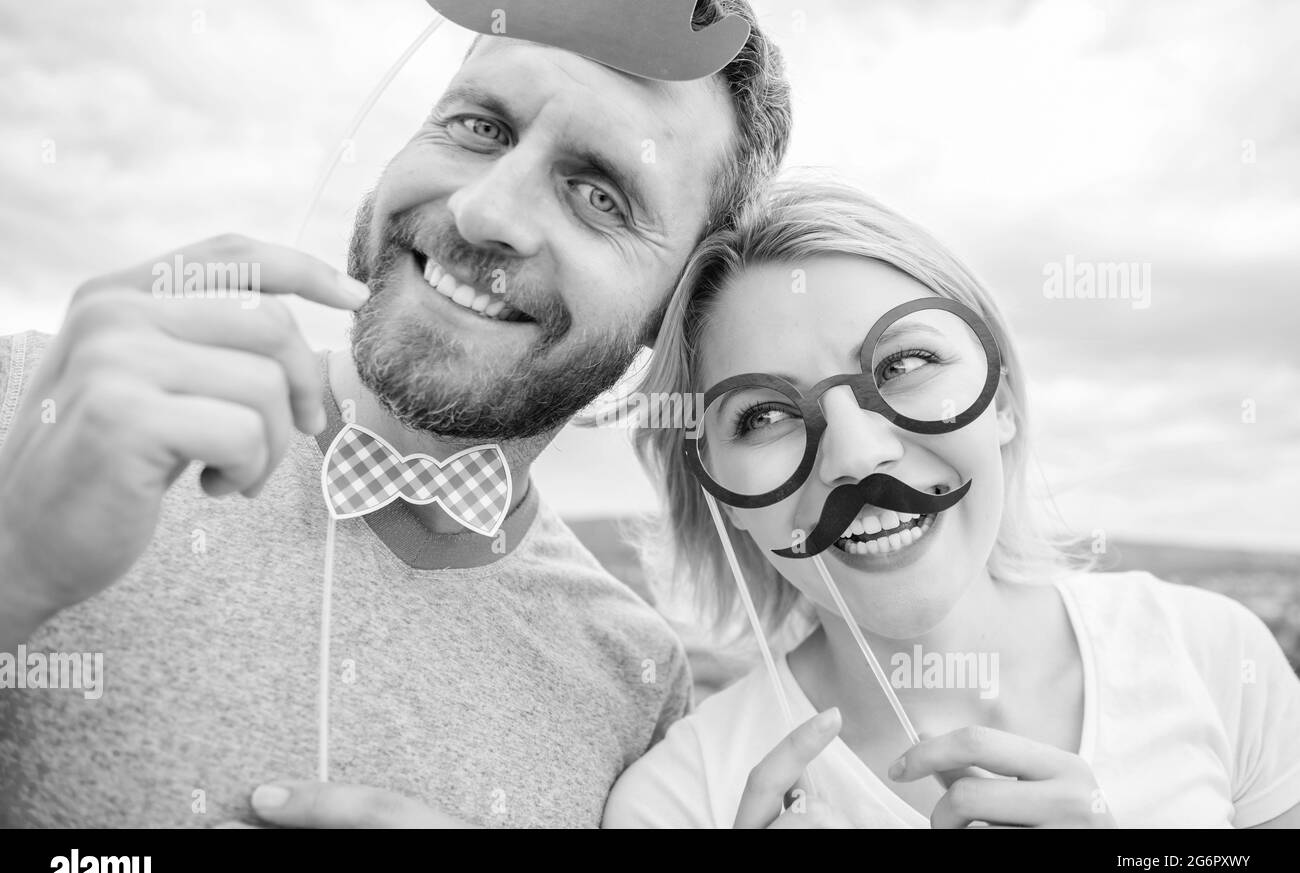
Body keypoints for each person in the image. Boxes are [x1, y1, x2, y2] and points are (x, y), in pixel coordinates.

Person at [0, 0, 792, 828]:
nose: (485, 212)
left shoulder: (635, 675)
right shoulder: (31, 399)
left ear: (669, 317)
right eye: (481, 127)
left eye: (599, 195)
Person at [601, 176, 1300, 828]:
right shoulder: (679, 801)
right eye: (763, 416)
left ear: (998, 401)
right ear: (725, 498)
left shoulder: (1214, 656)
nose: (854, 455)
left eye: (903, 365)